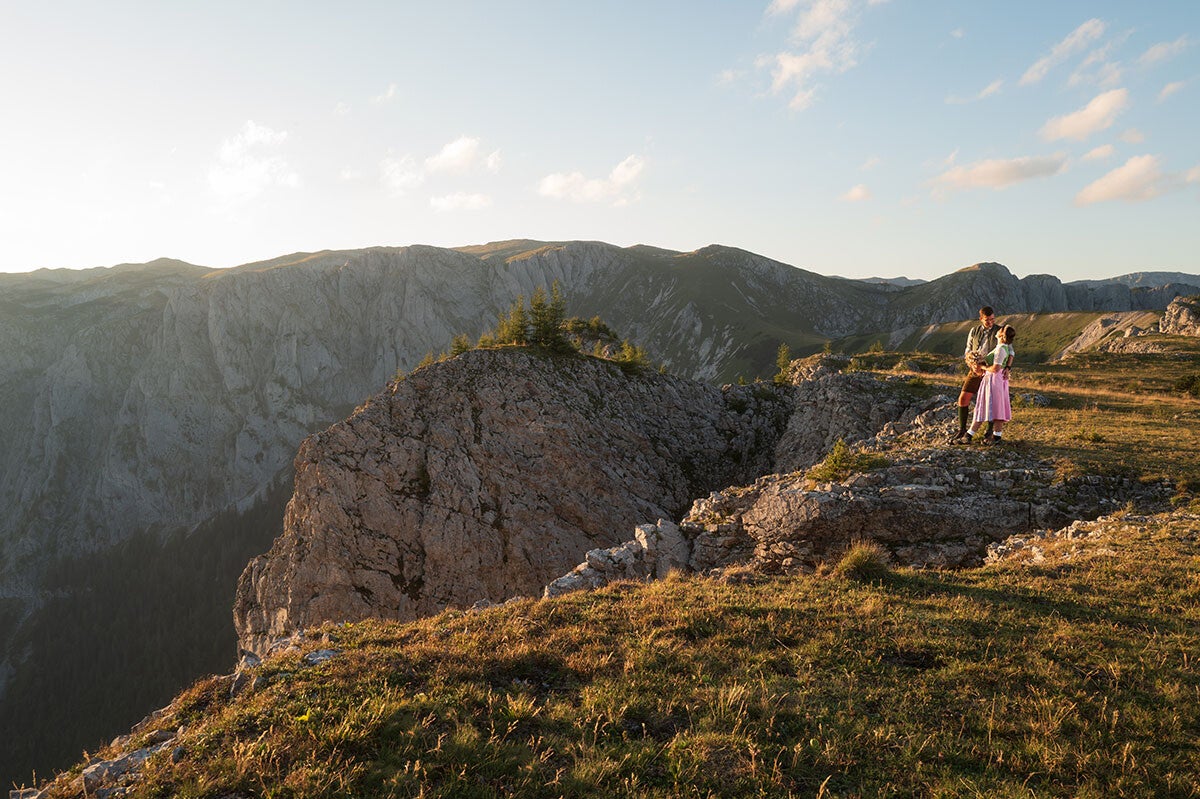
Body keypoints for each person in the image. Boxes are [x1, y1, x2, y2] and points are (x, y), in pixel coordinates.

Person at [948, 306, 998, 443]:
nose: (991, 322)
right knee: (963, 398)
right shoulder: (974, 331)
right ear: (981, 319)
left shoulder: (1000, 331)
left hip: (990, 369)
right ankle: (962, 430)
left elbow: (1008, 350)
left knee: (990, 401)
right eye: (987, 320)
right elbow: (968, 349)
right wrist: (972, 363)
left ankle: (989, 432)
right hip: (975, 369)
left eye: (993, 319)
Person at [964, 325, 1015, 444]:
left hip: (994, 380)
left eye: (1001, 330)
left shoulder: (1000, 349)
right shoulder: (1003, 347)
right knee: (997, 407)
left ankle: (969, 435)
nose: (999, 329)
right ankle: (996, 436)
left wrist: (981, 366)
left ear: (1002, 336)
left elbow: (996, 368)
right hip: (997, 380)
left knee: (988, 405)